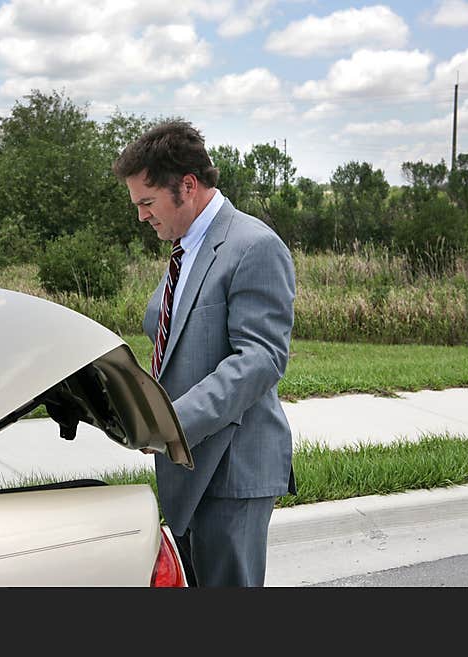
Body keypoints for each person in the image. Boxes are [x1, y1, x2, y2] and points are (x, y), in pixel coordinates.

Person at [112, 121, 296, 587]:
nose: (141, 216)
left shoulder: (253, 246)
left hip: (231, 472)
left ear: (187, 187)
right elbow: (173, 340)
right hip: (190, 467)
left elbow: (260, 359)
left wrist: (171, 423)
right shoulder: (186, 248)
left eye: (147, 203)